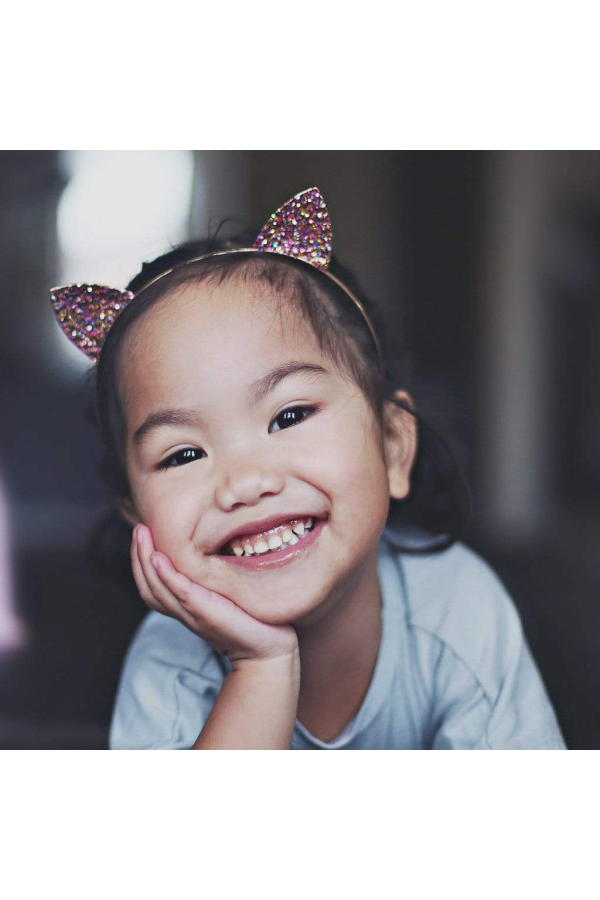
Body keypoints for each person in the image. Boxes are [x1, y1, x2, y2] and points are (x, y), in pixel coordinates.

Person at [50, 187, 566, 749]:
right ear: (137, 515)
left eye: (289, 415)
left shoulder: (459, 612)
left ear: (393, 444)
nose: (245, 482)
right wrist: (260, 666)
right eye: (183, 455)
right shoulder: (170, 663)